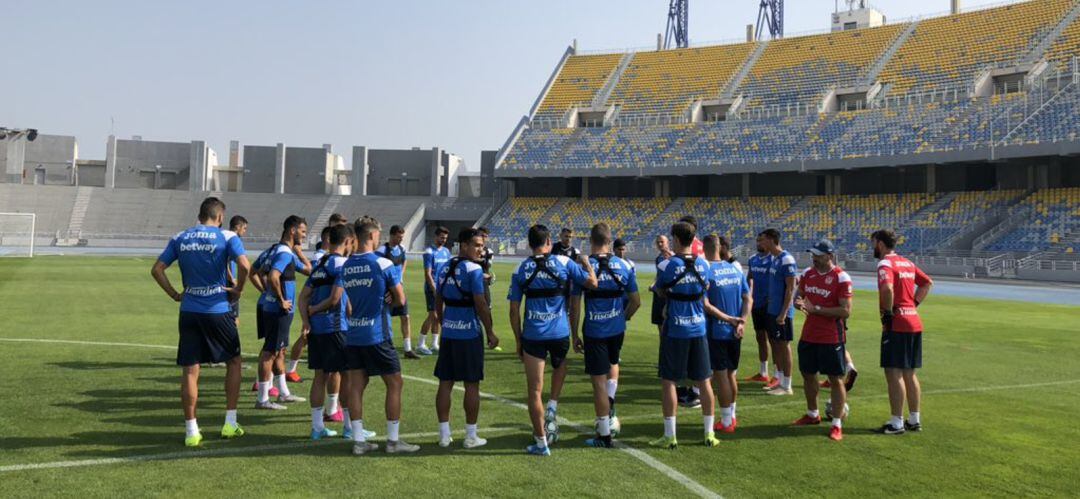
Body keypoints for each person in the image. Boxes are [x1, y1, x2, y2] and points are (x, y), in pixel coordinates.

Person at [150, 197, 249, 447]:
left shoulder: (181, 237)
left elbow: (157, 269)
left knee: (191, 370)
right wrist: (238, 288)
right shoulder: (226, 237)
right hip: (218, 309)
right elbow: (245, 265)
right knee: (234, 361)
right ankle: (230, 422)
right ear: (220, 217)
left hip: (190, 309)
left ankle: (191, 430)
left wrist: (175, 294)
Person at [508, 224, 598, 456]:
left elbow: (513, 310)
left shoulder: (520, 268)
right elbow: (592, 283)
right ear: (549, 241)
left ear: (529, 244)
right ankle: (553, 406)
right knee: (560, 365)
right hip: (559, 332)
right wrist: (586, 262)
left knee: (534, 391)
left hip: (533, 335)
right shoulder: (565, 262)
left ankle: (541, 443)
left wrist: (518, 340)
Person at [341, 217, 420, 455]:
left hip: (353, 332)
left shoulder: (345, 266)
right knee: (395, 383)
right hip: (377, 333)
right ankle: (393, 442)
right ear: (372, 236)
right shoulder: (383, 264)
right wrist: (390, 298)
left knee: (356, 385)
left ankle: (358, 441)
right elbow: (401, 299)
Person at [651, 222, 733, 449]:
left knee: (668, 380)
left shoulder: (668, 264)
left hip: (676, 328)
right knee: (704, 380)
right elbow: (704, 288)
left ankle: (670, 435)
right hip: (699, 328)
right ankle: (708, 434)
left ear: (676, 239)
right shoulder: (704, 264)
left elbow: (660, 289)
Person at [570, 224, 640, 448]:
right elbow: (636, 301)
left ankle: (603, 433)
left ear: (591, 241)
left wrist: (574, 334)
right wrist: (623, 317)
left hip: (594, 330)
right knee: (613, 363)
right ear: (610, 242)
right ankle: (610, 407)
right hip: (616, 329)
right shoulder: (624, 265)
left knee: (597, 383)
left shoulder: (583, 267)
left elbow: (575, 306)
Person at [433, 228, 500, 449]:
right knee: (472, 384)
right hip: (469, 332)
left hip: (450, 333)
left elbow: (438, 300)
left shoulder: (444, 267)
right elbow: (480, 304)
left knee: (446, 382)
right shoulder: (474, 270)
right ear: (463, 245)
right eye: (477, 245)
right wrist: (490, 331)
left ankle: (444, 435)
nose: (481, 249)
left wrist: (444, 322)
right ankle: (471, 436)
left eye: (481, 245)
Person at [872, 229, 933, 435]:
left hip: (897, 323)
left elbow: (887, 289)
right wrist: (913, 304)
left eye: (873, 243)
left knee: (893, 372)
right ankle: (914, 419)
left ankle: (896, 422)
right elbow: (926, 283)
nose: (873, 247)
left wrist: (888, 314)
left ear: (880, 244)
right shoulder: (907, 262)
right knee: (909, 373)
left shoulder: (885, 264)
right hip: (914, 321)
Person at [791, 239, 852, 442]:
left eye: (818, 255)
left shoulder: (841, 277)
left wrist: (817, 309)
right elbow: (798, 296)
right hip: (809, 335)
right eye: (813, 255)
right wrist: (798, 303)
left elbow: (845, 311)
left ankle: (836, 424)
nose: (814, 258)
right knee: (808, 375)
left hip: (831, 337)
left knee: (835, 379)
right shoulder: (808, 274)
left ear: (829, 256)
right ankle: (812, 414)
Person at [298, 224, 353, 440]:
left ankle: (317, 428)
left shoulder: (320, 265)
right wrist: (316, 309)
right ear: (348, 242)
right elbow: (335, 298)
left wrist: (307, 321)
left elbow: (303, 296)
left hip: (318, 329)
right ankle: (350, 428)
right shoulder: (343, 265)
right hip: (335, 328)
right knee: (347, 376)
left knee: (320, 376)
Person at [254, 215, 312, 410]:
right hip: (278, 311)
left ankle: (283, 393)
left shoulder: (276, 250)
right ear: (292, 231)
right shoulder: (285, 254)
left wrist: (267, 293)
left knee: (279, 350)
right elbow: (272, 276)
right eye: (302, 231)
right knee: (270, 352)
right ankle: (262, 399)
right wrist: (280, 300)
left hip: (269, 307)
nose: (304, 235)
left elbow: (309, 270)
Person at [703, 235, 751, 435]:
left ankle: (725, 420)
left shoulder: (707, 271)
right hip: (735, 331)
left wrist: (729, 319)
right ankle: (732, 414)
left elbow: (705, 305)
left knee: (720, 375)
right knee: (731, 374)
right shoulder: (735, 268)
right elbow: (748, 298)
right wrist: (742, 320)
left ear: (705, 249)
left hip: (719, 330)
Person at [760, 228, 797, 396]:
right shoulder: (775, 259)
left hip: (782, 313)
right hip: (772, 309)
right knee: (776, 344)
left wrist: (783, 313)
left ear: (772, 240)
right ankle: (780, 381)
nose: (761, 243)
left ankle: (787, 385)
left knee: (784, 345)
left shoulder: (786, 259)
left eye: (763, 240)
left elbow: (790, 289)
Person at [676, 216, 706, 409]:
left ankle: (693, 393)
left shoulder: (691, 250)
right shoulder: (701, 247)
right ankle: (695, 392)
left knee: (686, 359)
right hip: (699, 309)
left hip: (685, 313)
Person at [376, 225, 417, 359]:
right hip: (386, 290)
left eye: (402, 237)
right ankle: (382, 345)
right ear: (392, 235)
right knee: (384, 318)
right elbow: (376, 268)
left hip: (398, 288)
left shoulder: (402, 249)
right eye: (399, 237)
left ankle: (408, 349)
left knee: (405, 317)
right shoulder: (382, 250)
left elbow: (403, 261)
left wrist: (400, 276)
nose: (401, 239)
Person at [745, 236, 774, 383]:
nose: (758, 243)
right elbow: (749, 277)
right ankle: (763, 373)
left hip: (769, 305)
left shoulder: (774, 260)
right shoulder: (753, 259)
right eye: (757, 241)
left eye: (761, 241)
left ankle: (778, 375)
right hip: (756, 304)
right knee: (760, 338)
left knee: (774, 340)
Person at [420, 226, 452, 355]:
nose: (443, 240)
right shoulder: (429, 252)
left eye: (445, 238)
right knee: (432, 315)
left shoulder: (446, 252)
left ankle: (434, 343)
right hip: (432, 288)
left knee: (438, 314)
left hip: (443, 287)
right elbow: (427, 274)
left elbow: (448, 270)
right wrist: (434, 289)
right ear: (436, 236)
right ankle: (421, 344)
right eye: (442, 237)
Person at [226, 215, 249, 327]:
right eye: (244, 228)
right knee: (233, 319)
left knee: (232, 317)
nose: (245, 231)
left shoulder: (226, 237)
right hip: (229, 283)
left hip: (228, 281)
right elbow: (225, 262)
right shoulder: (232, 240)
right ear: (238, 226)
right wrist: (232, 278)